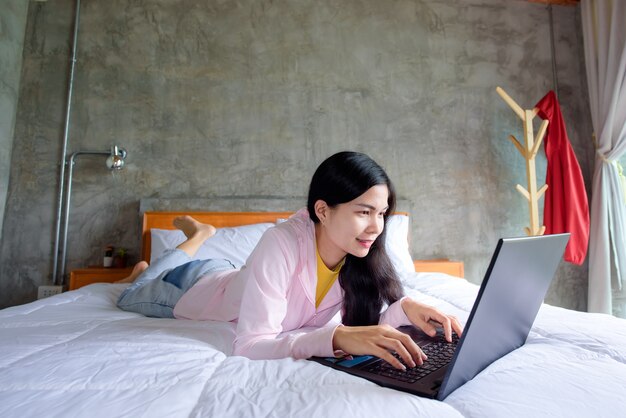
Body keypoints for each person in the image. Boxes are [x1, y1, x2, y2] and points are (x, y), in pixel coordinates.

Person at [117, 151, 462, 370]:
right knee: (134, 291)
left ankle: (197, 240)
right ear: (323, 211)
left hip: (234, 276)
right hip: (193, 286)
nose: (376, 227)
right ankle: (194, 239)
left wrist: (405, 307)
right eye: (363, 212)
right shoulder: (279, 242)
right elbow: (249, 346)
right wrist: (337, 338)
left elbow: (366, 326)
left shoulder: (358, 256)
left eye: (383, 213)